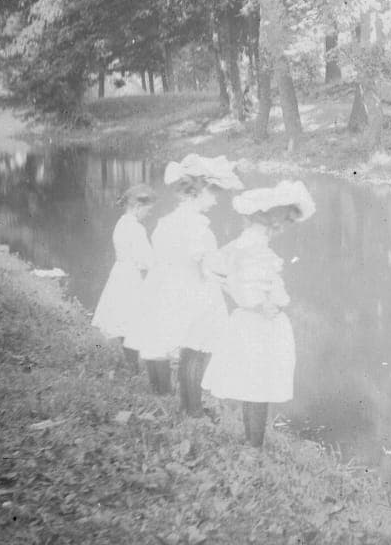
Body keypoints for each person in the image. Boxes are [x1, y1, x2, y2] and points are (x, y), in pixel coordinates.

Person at [125, 154, 243, 414]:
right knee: (198, 351)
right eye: (214, 193)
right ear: (199, 191)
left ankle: (188, 405)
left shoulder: (168, 221)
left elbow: (170, 257)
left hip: (171, 287)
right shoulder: (198, 226)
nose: (216, 200)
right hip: (194, 291)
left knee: (191, 350)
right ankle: (193, 410)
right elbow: (211, 267)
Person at [202, 180, 315, 447]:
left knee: (252, 383)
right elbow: (239, 279)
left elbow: (217, 267)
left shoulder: (249, 240)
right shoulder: (254, 244)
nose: (284, 227)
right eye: (284, 221)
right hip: (258, 323)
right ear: (272, 220)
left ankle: (252, 442)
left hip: (253, 320)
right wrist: (258, 303)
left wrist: (242, 294)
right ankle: (254, 445)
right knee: (258, 384)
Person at [91, 184, 155, 373]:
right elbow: (146, 260)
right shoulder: (136, 228)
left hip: (119, 273)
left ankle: (131, 364)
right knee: (132, 320)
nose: (148, 215)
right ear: (137, 207)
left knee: (124, 318)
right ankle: (133, 366)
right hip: (131, 277)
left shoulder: (121, 223)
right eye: (148, 211)